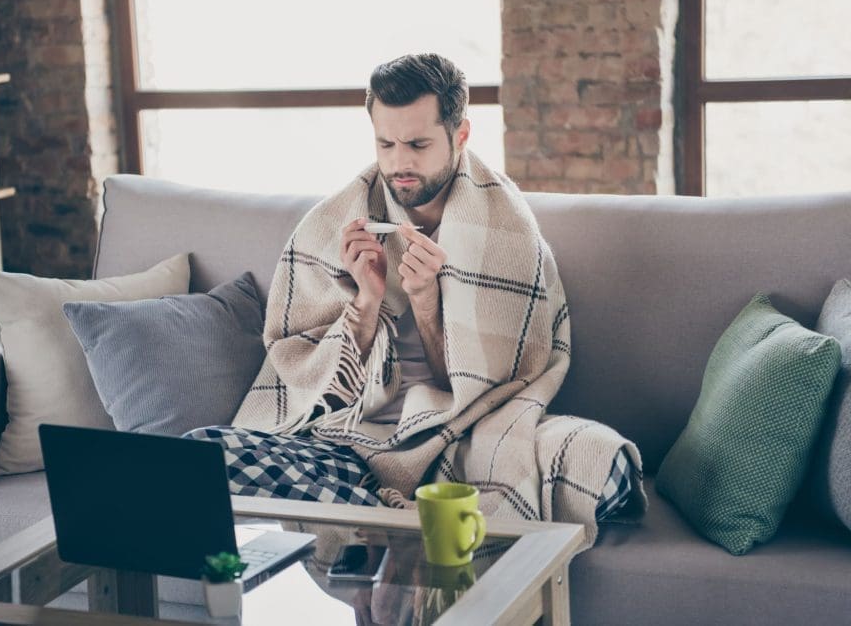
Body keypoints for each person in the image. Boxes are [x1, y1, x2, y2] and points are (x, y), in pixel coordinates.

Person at [186, 54, 642, 540]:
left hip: (460, 435)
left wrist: (425, 299)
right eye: (386, 143)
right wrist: (366, 299)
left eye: (418, 144)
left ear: (460, 135)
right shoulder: (336, 220)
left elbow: (482, 391)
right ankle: (393, 522)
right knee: (199, 455)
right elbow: (311, 382)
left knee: (604, 465)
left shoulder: (506, 233)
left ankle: (371, 523)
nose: (399, 162)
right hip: (349, 440)